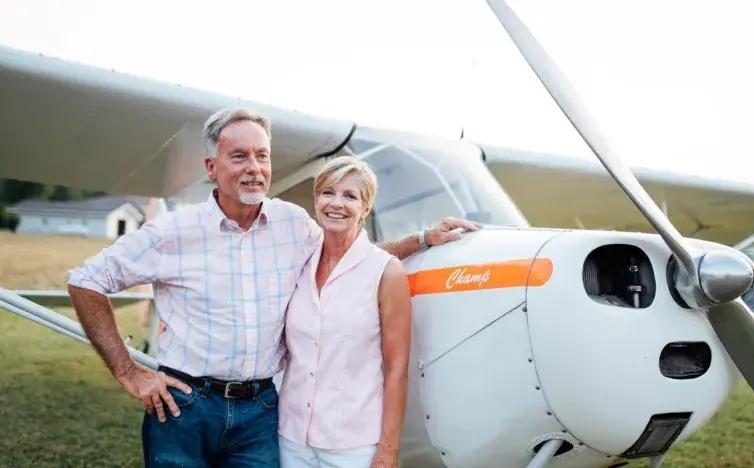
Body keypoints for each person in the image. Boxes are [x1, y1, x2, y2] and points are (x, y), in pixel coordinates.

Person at [66, 108, 478, 467]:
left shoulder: (292, 223)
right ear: (212, 167)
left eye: (262, 156)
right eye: (239, 156)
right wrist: (129, 373)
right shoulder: (173, 231)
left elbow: (349, 256)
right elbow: (86, 280)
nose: (254, 167)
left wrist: (421, 240)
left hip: (261, 412)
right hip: (184, 408)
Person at [278, 157, 411, 468]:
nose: (336, 203)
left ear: (365, 208)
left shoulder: (386, 271)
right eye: (328, 192)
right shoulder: (298, 261)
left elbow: (397, 369)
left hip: (353, 447)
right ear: (316, 200)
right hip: (291, 437)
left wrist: (388, 451)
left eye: (350, 196)